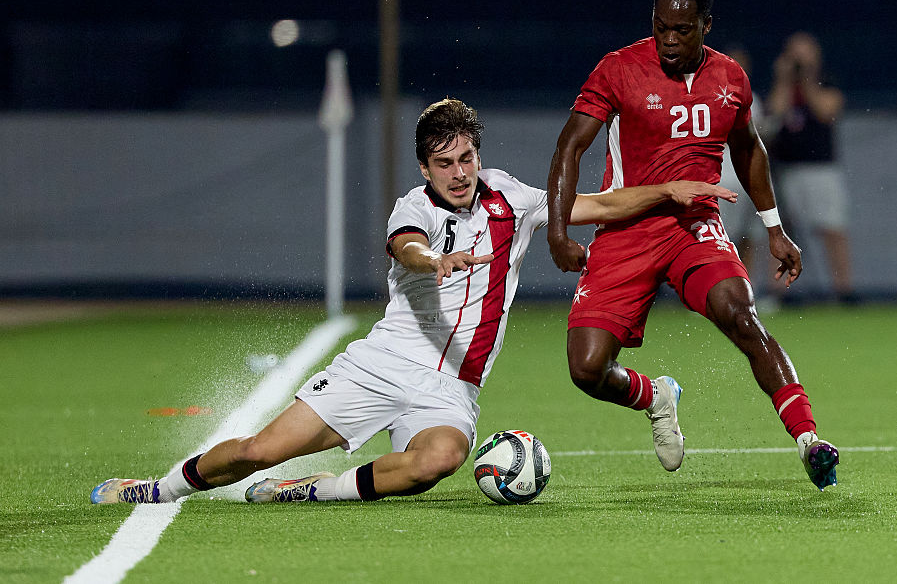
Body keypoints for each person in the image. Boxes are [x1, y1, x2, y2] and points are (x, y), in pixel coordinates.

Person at [91, 98, 736, 505]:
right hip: (382, 363)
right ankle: (155, 486)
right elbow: (406, 247)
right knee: (258, 450)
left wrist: (667, 189)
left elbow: (594, 206)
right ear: (425, 168)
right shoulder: (413, 207)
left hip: (451, 387)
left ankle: (311, 491)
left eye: (467, 157)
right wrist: (436, 260)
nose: (460, 171)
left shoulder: (510, 196)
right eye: (444, 162)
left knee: (440, 460)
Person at [546, 0, 840, 490]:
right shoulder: (619, 68)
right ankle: (655, 396)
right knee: (587, 368)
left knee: (741, 313)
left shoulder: (730, 79)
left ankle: (809, 440)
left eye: (683, 29)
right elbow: (570, 147)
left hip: (693, 228)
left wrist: (774, 228)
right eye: (661, 27)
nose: (670, 40)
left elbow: (748, 148)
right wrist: (557, 232)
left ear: (707, 26)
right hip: (626, 230)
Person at [767, 31, 855, 303]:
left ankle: (844, 290)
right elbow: (773, 113)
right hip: (786, 170)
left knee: (832, 228)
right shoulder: (782, 87)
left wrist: (806, 81)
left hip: (821, 168)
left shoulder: (825, 83)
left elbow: (826, 111)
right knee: (782, 230)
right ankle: (780, 292)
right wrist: (784, 79)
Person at [717, 44, 778, 312]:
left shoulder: (751, 97)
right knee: (721, 240)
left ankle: (745, 296)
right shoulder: (712, 93)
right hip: (722, 179)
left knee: (748, 239)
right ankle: (714, 296)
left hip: (748, 181)